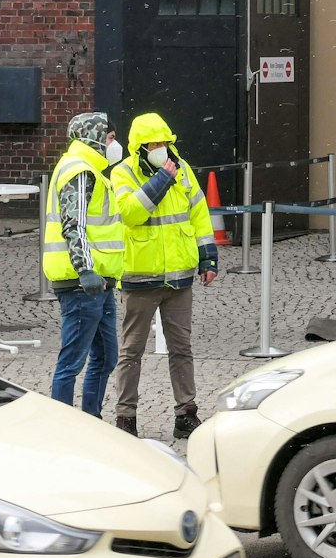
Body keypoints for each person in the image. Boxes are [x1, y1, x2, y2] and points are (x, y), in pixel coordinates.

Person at [107, 113, 216, 440]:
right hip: (140, 279)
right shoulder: (123, 173)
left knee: (182, 348)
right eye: (156, 144)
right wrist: (160, 181)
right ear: (140, 147)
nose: (163, 149)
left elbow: (199, 213)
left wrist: (208, 258)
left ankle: (186, 413)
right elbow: (131, 213)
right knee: (131, 351)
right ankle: (125, 417)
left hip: (180, 279)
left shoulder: (181, 170)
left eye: (167, 143)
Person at [44, 112, 124, 418]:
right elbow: (73, 225)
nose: (114, 144)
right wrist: (86, 269)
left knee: (105, 356)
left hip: (98, 281)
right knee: (72, 361)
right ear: (94, 138)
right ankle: (64, 424)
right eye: (110, 138)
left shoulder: (91, 169)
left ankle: (91, 419)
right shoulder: (79, 170)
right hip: (82, 282)